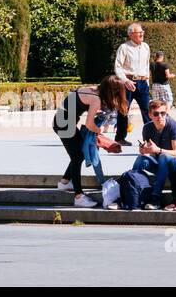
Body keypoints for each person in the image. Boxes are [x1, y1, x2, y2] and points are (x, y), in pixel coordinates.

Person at [53, 76, 126, 207]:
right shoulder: (96, 99)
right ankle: (78, 196)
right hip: (64, 123)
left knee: (79, 153)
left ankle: (64, 182)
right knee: (77, 157)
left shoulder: (93, 89)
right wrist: (99, 131)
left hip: (62, 120)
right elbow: (89, 124)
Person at [131, 99, 176, 209]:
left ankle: (156, 198)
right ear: (150, 115)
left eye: (163, 113)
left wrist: (157, 150)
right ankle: (133, 192)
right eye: (156, 114)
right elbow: (150, 152)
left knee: (163, 157)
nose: (160, 116)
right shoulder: (147, 128)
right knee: (140, 159)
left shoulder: (174, 126)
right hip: (161, 165)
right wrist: (144, 150)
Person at [113, 23, 152, 146]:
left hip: (142, 82)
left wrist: (147, 81)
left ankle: (150, 139)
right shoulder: (124, 48)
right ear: (131, 34)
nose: (141, 34)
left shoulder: (146, 47)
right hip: (127, 82)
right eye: (138, 32)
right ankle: (120, 138)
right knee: (123, 111)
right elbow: (118, 67)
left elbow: (147, 66)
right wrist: (126, 81)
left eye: (142, 32)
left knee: (147, 111)